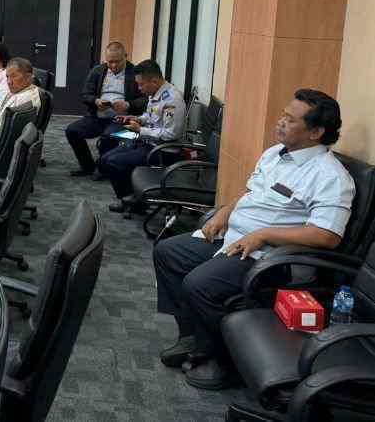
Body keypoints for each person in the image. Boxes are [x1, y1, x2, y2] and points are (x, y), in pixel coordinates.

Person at [153, 90, 354, 390]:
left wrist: (263, 235)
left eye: (291, 119)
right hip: (233, 238)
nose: (281, 122)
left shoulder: (330, 176)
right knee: (168, 251)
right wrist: (224, 212)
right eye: (283, 115)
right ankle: (194, 337)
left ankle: (226, 360)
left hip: (272, 259)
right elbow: (251, 193)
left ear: (315, 132)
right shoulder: (274, 154)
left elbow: (327, 235)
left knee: (200, 284)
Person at [98, 59, 185, 213]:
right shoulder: (156, 92)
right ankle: (130, 197)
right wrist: (136, 119)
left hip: (162, 151)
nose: (139, 89)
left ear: (154, 81)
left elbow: (171, 134)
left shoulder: (172, 100)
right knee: (105, 157)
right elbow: (150, 116)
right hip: (147, 142)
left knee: (114, 161)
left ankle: (135, 202)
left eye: (141, 84)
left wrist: (140, 130)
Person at [65, 42, 147, 177]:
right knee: (72, 131)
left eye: (117, 61)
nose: (113, 65)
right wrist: (96, 101)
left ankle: (104, 168)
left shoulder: (135, 73)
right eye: (110, 62)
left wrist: (128, 104)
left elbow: (145, 99)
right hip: (97, 116)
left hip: (122, 119)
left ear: (126, 56)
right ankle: (87, 166)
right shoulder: (97, 71)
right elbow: (85, 94)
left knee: (108, 136)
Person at [0, 57, 41, 129]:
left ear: (28, 77)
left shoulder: (24, 98)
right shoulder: (19, 91)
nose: (9, 82)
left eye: (14, 76)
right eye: (7, 76)